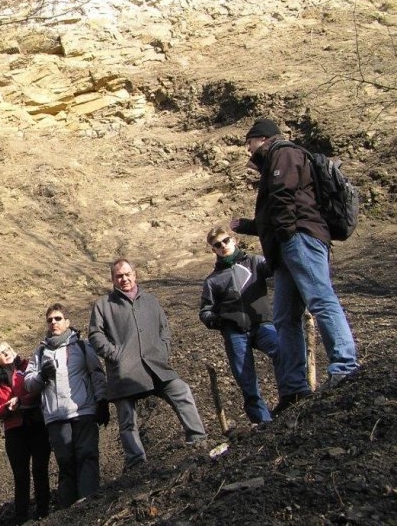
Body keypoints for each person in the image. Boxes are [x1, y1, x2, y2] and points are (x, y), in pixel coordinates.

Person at [231, 118, 359, 414]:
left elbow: (283, 196)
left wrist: (287, 234)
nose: (247, 149)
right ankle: (293, 388)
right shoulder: (273, 158)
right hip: (285, 248)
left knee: (320, 299)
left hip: (300, 239)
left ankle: (344, 365)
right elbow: (278, 208)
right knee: (285, 318)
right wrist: (251, 227)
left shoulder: (284, 152)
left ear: (261, 138)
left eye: (248, 142)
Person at [89, 259, 207, 471]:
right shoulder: (103, 305)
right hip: (123, 370)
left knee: (182, 392)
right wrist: (115, 355)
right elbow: (95, 335)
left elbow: (164, 329)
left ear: (135, 274)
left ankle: (198, 441)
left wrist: (163, 350)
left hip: (156, 365)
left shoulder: (151, 300)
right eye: (119, 276)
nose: (124, 279)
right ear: (113, 279)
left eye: (127, 274)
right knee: (127, 420)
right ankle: (136, 463)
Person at [24, 304, 108, 509]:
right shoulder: (40, 351)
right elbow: (27, 383)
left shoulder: (82, 346)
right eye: (50, 319)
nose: (53, 322)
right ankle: (67, 512)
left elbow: (96, 373)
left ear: (67, 322)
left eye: (58, 318)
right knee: (65, 463)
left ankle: (89, 505)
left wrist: (102, 401)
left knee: (87, 456)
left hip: (83, 411)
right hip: (56, 416)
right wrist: (41, 376)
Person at [199, 226, 280, 425]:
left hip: (262, 323)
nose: (223, 246)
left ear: (234, 240)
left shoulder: (254, 262)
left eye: (225, 241)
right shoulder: (212, 281)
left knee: (282, 350)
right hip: (234, 333)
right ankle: (263, 422)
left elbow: (274, 267)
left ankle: (291, 395)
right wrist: (219, 321)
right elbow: (205, 311)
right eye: (217, 245)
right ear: (213, 250)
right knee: (246, 381)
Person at [0, 342, 50, 525]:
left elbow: (38, 390)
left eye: (6, 350)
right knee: (20, 474)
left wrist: (21, 400)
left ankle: (43, 511)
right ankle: (21, 516)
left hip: (36, 423)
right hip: (14, 428)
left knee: (40, 468)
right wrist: (6, 408)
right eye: (0, 353)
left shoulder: (27, 366)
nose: (5, 354)